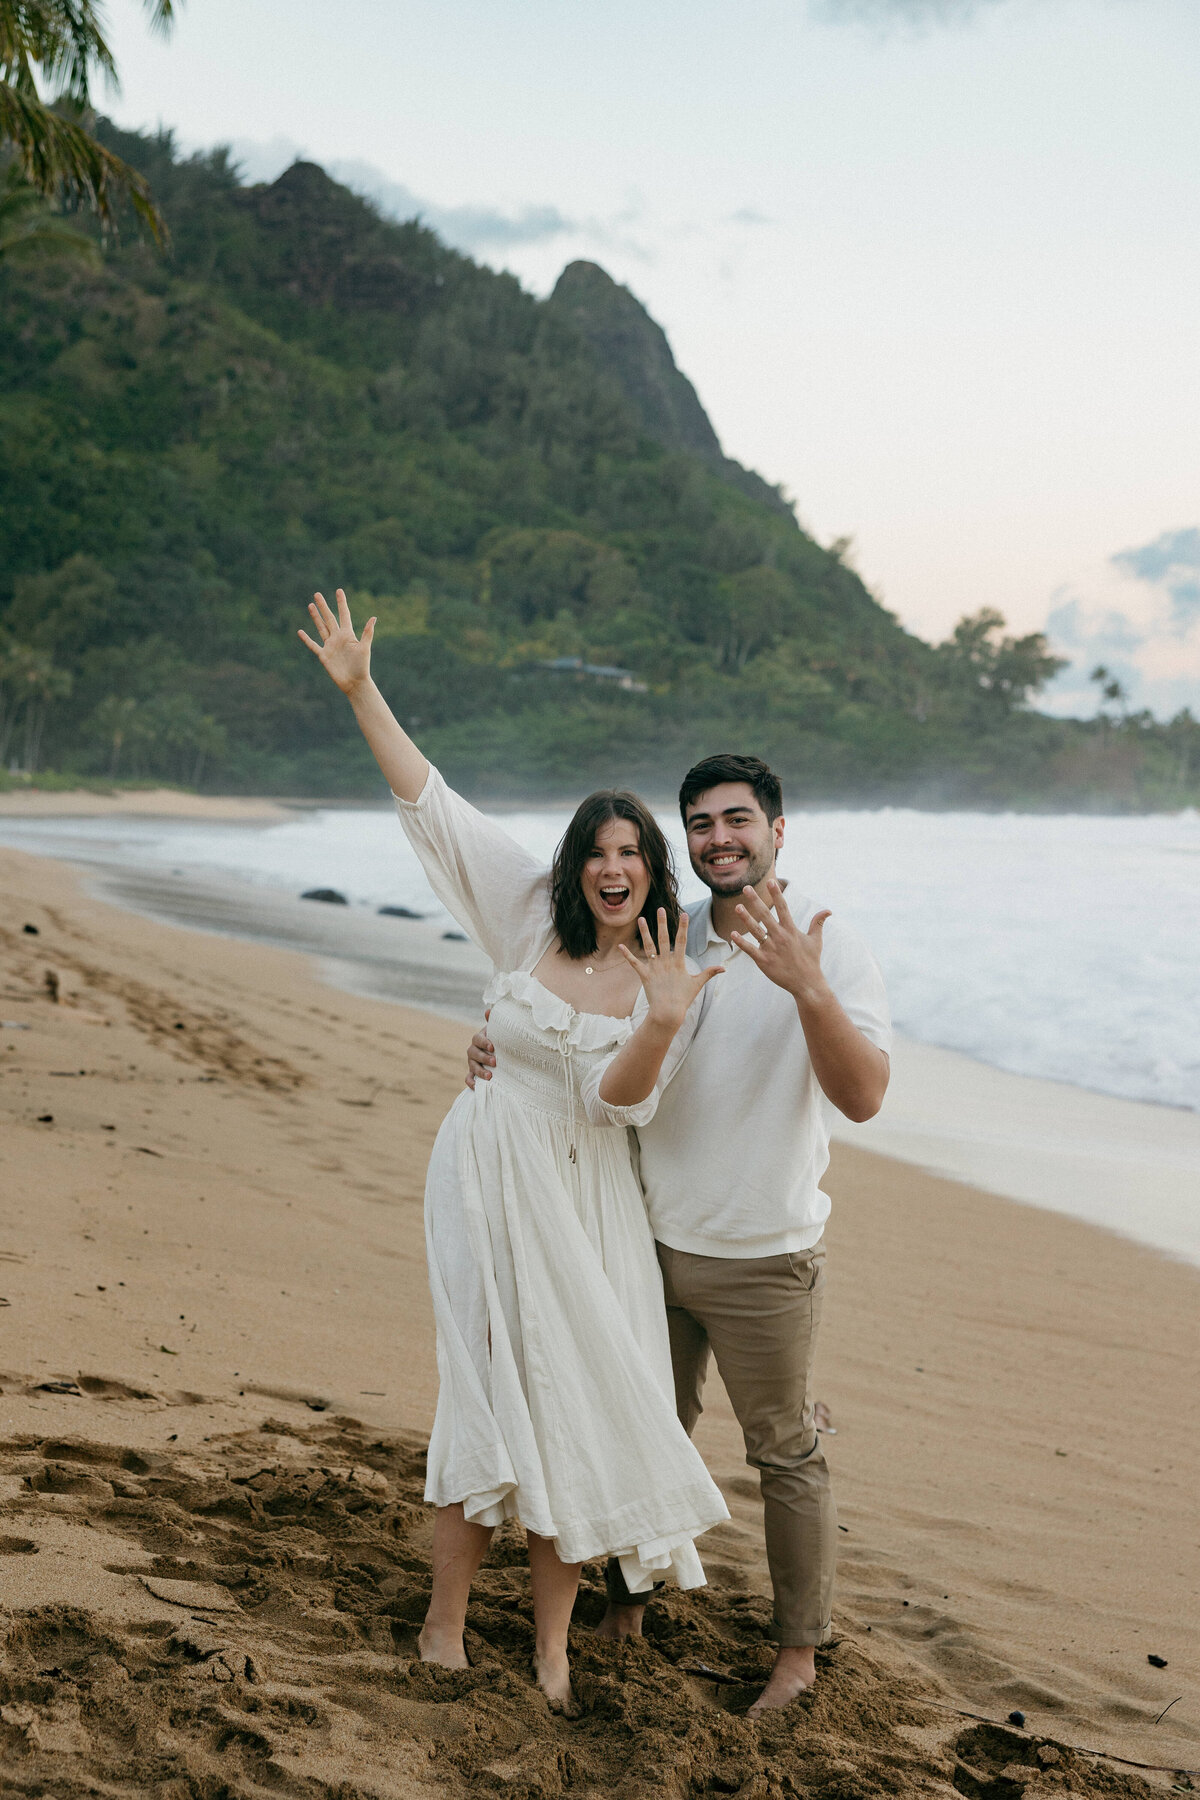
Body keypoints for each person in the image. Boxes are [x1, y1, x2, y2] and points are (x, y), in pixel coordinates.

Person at [299, 589, 729, 1714]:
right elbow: (432, 804)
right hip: (491, 1175)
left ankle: (553, 1645)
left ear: (654, 870)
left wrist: (667, 1021)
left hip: (592, 1205)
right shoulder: (532, 914)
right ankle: (445, 1622)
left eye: (634, 851)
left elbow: (618, 1102)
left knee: (576, 1406)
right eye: (600, 848)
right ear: (576, 861)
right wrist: (361, 690)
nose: (614, 865)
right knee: (485, 1389)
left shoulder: (672, 978)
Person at [469, 752, 891, 1715]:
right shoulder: (666, 931)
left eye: (737, 821)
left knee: (783, 1453)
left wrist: (807, 990)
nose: (719, 839)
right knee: (638, 1421)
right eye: (700, 824)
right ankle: (627, 1607)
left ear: (777, 832)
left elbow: (863, 1099)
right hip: (644, 1236)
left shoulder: (830, 941)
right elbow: (573, 1018)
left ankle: (796, 1656)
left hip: (764, 1253)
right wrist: (493, 1039)